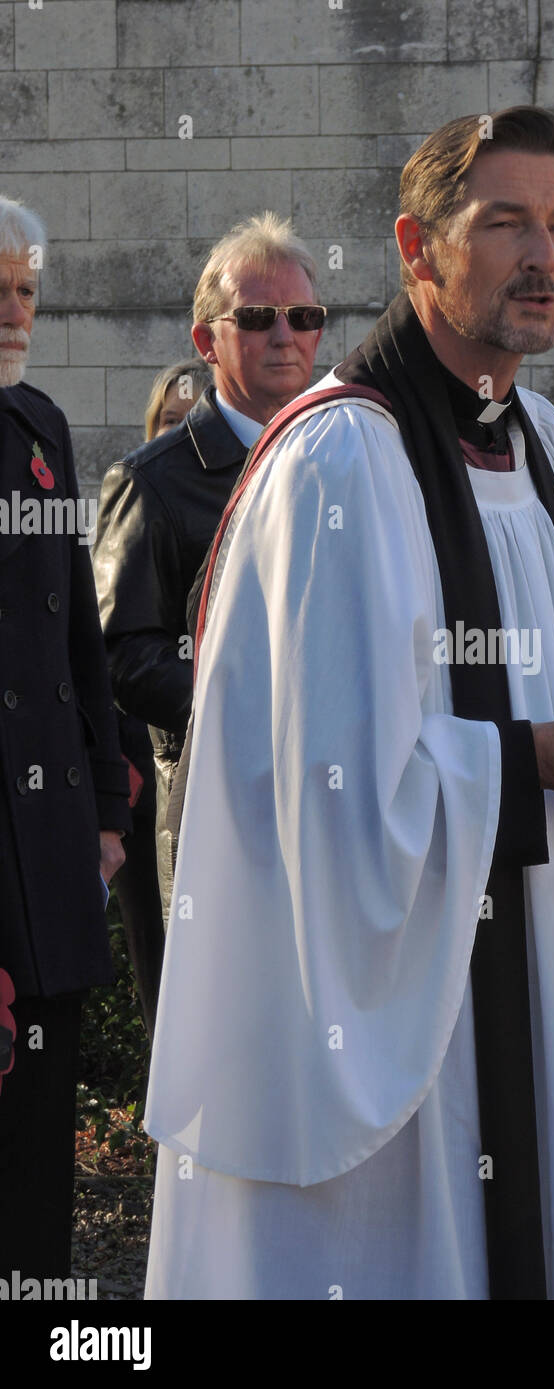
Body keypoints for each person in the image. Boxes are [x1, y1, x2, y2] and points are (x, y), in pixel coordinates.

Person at [144, 106, 554, 1301]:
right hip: (397, 1008)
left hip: (543, 960)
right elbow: (317, 783)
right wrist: (535, 758)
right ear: (416, 245)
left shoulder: (544, 443)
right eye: (503, 224)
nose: (542, 256)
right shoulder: (341, 462)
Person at [93, 214, 323, 930]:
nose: (283, 335)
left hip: (334, 810)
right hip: (213, 816)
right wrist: (255, 708)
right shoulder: (152, 481)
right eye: (256, 317)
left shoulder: (348, 460)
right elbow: (122, 652)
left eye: (303, 315)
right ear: (206, 341)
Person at [0, 196, 130, 1277]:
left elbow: (77, 639)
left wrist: (105, 809)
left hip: (48, 847)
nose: (14, 312)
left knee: (42, 1140)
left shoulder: (39, 424)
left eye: (27, 292)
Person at [111, 359, 212, 1036]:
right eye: (170, 423)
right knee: (159, 939)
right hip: (147, 763)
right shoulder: (141, 492)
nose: (180, 436)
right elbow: (119, 654)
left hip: (226, 767)